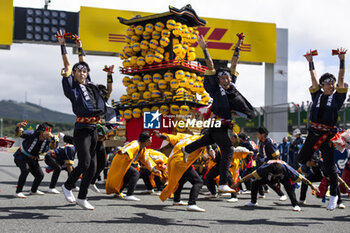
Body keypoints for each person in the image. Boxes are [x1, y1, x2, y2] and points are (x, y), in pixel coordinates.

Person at [182, 34, 255, 193]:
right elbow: (209, 65)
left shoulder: (232, 86)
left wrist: (238, 46)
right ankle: (222, 183)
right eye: (222, 77)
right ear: (218, 80)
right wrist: (204, 49)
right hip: (216, 121)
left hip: (223, 124)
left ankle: (187, 149)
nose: (225, 79)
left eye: (227, 76)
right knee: (228, 149)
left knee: (207, 139)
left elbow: (234, 62)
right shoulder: (215, 88)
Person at [57, 30, 107, 210]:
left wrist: (80, 47)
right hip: (82, 129)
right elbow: (69, 64)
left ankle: (82, 197)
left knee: (92, 168)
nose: (82, 73)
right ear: (74, 74)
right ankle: (67, 185)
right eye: (79, 72)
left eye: (85, 71)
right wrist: (63, 45)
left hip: (94, 129)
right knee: (84, 163)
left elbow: (82, 62)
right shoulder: (73, 87)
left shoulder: (90, 84)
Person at [297, 47, 348, 210]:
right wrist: (310, 62)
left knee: (329, 166)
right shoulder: (317, 94)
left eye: (333, 84)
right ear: (322, 85)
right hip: (313, 133)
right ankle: (310, 170)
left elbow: (341, 77)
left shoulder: (338, 97)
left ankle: (334, 195)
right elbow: (313, 77)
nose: (332, 86)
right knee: (300, 159)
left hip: (328, 136)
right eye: (328, 83)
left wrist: (341, 59)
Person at [232, 160, 319, 212]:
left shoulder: (287, 169)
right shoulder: (264, 168)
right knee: (255, 182)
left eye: (276, 176)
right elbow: (251, 175)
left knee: (289, 187)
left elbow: (302, 178)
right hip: (268, 176)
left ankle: (295, 205)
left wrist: (312, 186)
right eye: (275, 175)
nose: (275, 177)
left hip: (283, 176)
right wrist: (238, 182)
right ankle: (253, 202)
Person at [157, 132, 206, 212]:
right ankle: (192, 204)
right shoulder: (203, 140)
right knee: (198, 182)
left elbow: (174, 138)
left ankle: (176, 200)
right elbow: (205, 157)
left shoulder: (188, 136)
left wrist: (162, 136)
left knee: (181, 179)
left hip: (174, 159)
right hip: (181, 162)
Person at [105, 131, 161, 201]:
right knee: (135, 174)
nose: (151, 142)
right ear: (146, 141)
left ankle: (117, 192)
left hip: (125, 163)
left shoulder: (142, 148)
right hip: (121, 162)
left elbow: (146, 160)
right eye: (150, 140)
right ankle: (129, 195)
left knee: (128, 176)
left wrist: (153, 169)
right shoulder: (135, 144)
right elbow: (128, 149)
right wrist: (124, 152)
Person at [13, 121, 54, 198]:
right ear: (41, 131)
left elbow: (53, 147)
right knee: (25, 170)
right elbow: (17, 134)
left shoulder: (48, 140)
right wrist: (18, 126)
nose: (48, 134)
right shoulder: (31, 134)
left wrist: (53, 138)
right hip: (21, 156)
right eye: (47, 131)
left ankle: (33, 190)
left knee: (40, 175)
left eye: (50, 132)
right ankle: (18, 192)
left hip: (33, 159)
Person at [256, 127, 287, 200]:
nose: (257, 135)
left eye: (258, 134)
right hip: (263, 163)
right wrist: (258, 156)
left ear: (262, 134)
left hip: (271, 164)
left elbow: (276, 154)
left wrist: (275, 166)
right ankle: (261, 193)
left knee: (270, 181)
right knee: (257, 177)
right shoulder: (261, 142)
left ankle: (282, 195)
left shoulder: (269, 142)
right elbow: (261, 153)